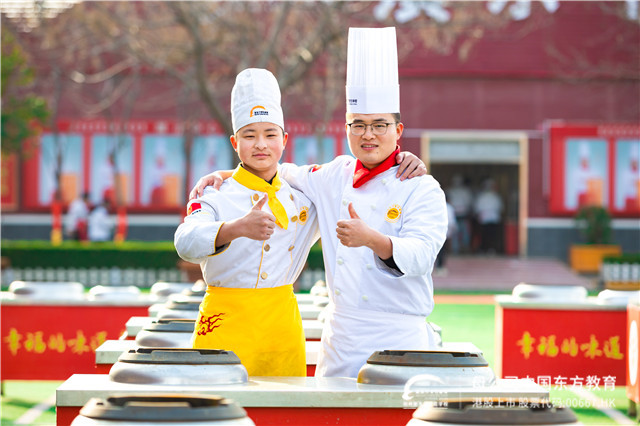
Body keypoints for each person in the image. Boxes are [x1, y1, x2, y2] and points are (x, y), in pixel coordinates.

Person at [191, 28, 446, 378]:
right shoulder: (334, 175)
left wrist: (371, 239)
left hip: (400, 334)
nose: (368, 135)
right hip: (342, 336)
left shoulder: (421, 187)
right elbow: (276, 170)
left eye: (379, 125)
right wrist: (226, 175)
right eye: (358, 125)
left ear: (398, 131)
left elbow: (421, 256)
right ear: (346, 128)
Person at [174, 68, 321, 377]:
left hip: (281, 328)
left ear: (284, 139)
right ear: (234, 142)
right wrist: (236, 228)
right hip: (225, 323)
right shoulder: (214, 193)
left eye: (270, 135)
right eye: (249, 135)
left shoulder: (304, 197)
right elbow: (185, 242)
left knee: (286, 404)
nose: (261, 145)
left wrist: (402, 159)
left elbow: (354, 182)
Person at [473, 178, 503, 254]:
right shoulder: (495, 196)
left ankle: (486, 248)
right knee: (491, 235)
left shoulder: (482, 196)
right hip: (492, 219)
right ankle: (490, 248)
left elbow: (477, 208)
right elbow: (501, 208)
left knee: (485, 235)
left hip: (485, 218)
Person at [446, 174, 473, 253]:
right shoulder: (450, 190)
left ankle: (463, 249)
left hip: (463, 215)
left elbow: (469, 203)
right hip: (455, 214)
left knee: (464, 233)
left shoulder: (465, 191)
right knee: (456, 234)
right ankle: (456, 249)